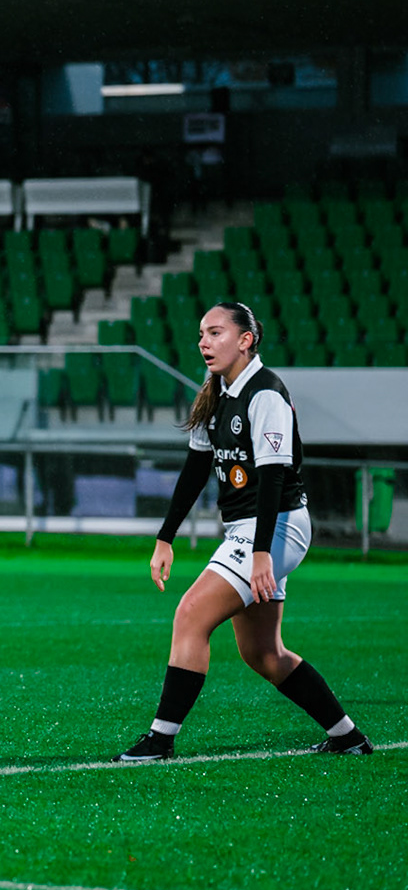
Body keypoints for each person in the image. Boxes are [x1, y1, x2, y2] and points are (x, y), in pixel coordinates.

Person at [117, 302, 373, 760]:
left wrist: (261, 554)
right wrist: (165, 536)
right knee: (262, 652)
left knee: (191, 614)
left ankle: (160, 740)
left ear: (246, 339)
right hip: (251, 530)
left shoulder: (266, 392)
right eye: (201, 334)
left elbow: (274, 477)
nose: (204, 342)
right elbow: (196, 470)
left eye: (215, 333)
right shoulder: (215, 392)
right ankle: (347, 736)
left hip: (277, 527)